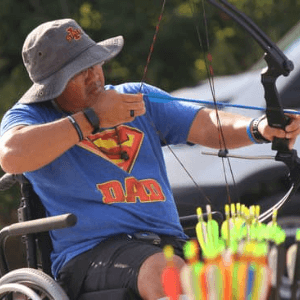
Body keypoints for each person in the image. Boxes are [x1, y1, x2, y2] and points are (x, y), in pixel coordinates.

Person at [0, 18, 300, 300]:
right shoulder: (30, 117)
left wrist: (258, 128)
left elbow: (206, 124)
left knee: (245, 275)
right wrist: (91, 119)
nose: (93, 77)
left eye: (94, 64)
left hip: (166, 245)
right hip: (90, 255)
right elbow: (11, 155)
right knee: (168, 274)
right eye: (78, 73)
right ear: (51, 86)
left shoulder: (132, 97)